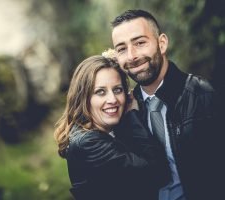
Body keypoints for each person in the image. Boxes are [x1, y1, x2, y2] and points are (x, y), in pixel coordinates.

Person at [111, 9, 224, 200]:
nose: (131, 56)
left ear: (161, 43)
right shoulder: (123, 110)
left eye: (140, 43)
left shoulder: (202, 94)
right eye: (122, 48)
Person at [54, 55, 169, 200]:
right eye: (100, 92)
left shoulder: (109, 130)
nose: (112, 99)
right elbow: (158, 172)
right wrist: (132, 114)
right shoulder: (89, 143)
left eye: (117, 90)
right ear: (83, 97)